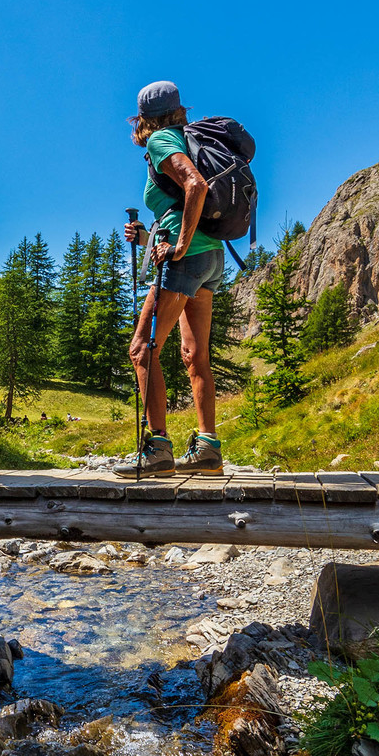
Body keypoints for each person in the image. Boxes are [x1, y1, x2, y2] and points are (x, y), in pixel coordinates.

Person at [122, 79, 223, 474]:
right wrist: (149, 237)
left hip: (187, 259)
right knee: (194, 355)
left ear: (143, 118)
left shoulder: (161, 140)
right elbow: (183, 203)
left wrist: (177, 247)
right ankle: (208, 447)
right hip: (211, 257)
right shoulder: (187, 135)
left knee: (141, 350)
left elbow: (194, 186)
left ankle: (158, 449)